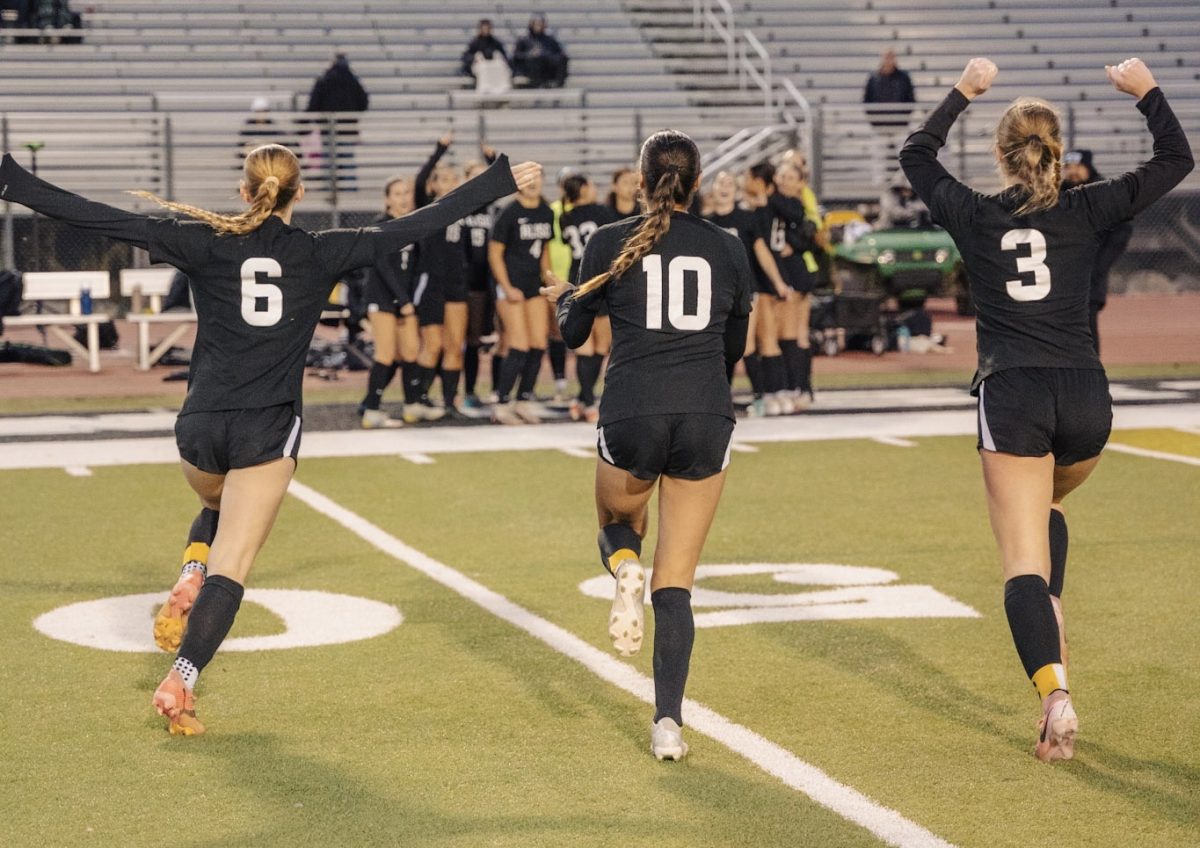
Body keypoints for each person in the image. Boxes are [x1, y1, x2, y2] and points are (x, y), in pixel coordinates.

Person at [0, 145, 539, 734]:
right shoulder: (321, 251)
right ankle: (183, 674)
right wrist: (497, 181)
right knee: (234, 560)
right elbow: (419, 223)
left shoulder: (202, 241)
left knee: (213, 503)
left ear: (243, 190)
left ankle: (190, 569)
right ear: (298, 194)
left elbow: (101, 217)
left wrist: (15, 181)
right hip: (267, 426)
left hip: (200, 426)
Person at [899, 57, 1191, 761]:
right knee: (1050, 507)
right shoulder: (1089, 206)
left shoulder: (973, 212)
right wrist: (1147, 89)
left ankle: (1055, 692)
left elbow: (914, 153)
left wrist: (963, 91)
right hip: (1087, 395)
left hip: (1015, 392)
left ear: (1003, 155)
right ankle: (1050, 605)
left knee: (1021, 568)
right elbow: (1177, 157)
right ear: (1057, 151)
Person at [541, 130, 753, 761]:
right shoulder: (728, 247)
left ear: (640, 180)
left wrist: (563, 301)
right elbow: (734, 348)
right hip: (705, 412)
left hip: (633, 406)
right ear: (696, 181)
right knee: (678, 585)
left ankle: (623, 567)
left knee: (618, 523)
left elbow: (575, 335)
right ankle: (668, 724)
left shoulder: (608, 241)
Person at [704, 170, 791, 416]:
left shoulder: (746, 218)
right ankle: (722, 397)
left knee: (745, 344)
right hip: (711, 292)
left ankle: (760, 396)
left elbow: (762, 252)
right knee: (719, 347)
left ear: (737, 190)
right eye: (721, 182)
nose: (725, 186)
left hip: (742, 290)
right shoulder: (704, 221)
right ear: (713, 188)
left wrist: (778, 282)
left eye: (730, 182)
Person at [488, 167, 560, 424]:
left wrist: (549, 280)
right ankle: (502, 403)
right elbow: (495, 254)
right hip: (511, 285)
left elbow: (543, 251)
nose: (533, 183)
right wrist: (506, 287)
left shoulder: (546, 210)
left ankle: (523, 399)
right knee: (518, 344)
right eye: (528, 178)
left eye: (538, 177)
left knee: (539, 344)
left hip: (533, 287)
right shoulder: (508, 212)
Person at [407, 134, 469, 421]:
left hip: (457, 283)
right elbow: (419, 182)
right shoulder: (427, 207)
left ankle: (449, 402)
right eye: (442, 179)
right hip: (430, 282)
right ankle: (418, 399)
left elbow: (489, 192)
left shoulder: (464, 208)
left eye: (452, 179)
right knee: (432, 345)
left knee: (455, 345)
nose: (448, 183)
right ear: (434, 185)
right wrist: (439, 151)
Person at [357, 175, 420, 428]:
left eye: (406, 193)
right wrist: (403, 300)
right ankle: (371, 410)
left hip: (403, 300)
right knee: (384, 354)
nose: (403, 198)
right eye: (397, 194)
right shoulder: (380, 225)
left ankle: (412, 405)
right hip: (381, 298)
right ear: (387, 199)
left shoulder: (413, 224)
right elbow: (383, 267)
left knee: (410, 351)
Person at [1061, 149, 1135, 354]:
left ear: (1088, 167)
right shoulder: (1058, 194)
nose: (1072, 172)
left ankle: (1093, 376)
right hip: (1063, 277)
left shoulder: (1103, 192)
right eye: (1068, 167)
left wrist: (1098, 267)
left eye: (1077, 166)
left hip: (1090, 278)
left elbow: (1122, 231)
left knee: (1087, 329)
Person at [559, 173, 619, 420]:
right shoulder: (601, 212)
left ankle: (583, 399)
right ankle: (587, 400)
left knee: (586, 346)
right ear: (583, 189)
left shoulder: (565, 216)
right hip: (599, 277)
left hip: (577, 278)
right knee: (602, 346)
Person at [305, 53, 369, 190]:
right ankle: (350, 188)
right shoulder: (352, 80)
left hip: (328, 126)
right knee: (347, 158)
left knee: (329, 158)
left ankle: (329, 187)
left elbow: (314, 103)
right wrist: (352, 114)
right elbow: (364, 102)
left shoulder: (324, 79)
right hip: (347, 126)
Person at [863, 49, 916, 130]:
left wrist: (904, 117)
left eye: (891, 57)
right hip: (878, 124)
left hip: (900, 124)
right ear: (882, 58)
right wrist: (874, 118)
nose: (888, 60)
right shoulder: (873, 78)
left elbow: (910, 98)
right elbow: (867, 99)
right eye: (886, 57)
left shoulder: (904, 77)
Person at [512, 14, 569, 88]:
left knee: (562, 58)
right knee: (535, 58)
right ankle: (536, 84)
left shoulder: (550, 40)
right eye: (536, 24)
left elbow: (558, 53)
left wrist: (545, 54)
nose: (539, 26)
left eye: (541, 24)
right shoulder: (523, 40)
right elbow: (516, 56)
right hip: (530, 70)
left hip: (547, 68)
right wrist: (529, 55)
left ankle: (558, 84)